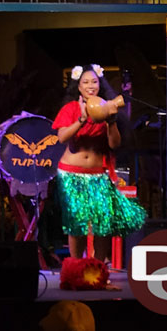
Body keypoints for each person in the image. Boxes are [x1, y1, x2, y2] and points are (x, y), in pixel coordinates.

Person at [52, 64, 146, 262]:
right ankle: (76, 267)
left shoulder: (108, 108)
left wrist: (111, 121)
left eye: (94, 81)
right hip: (71, 174)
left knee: (102, 225)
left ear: (100, 84)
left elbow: (114, 144)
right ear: (78, 87)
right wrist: (81, 119)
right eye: (85, 82)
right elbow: (61, 138)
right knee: (77, 225)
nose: (90, 86)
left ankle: (99, 268)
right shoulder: (70, 109)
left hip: (98, 175)